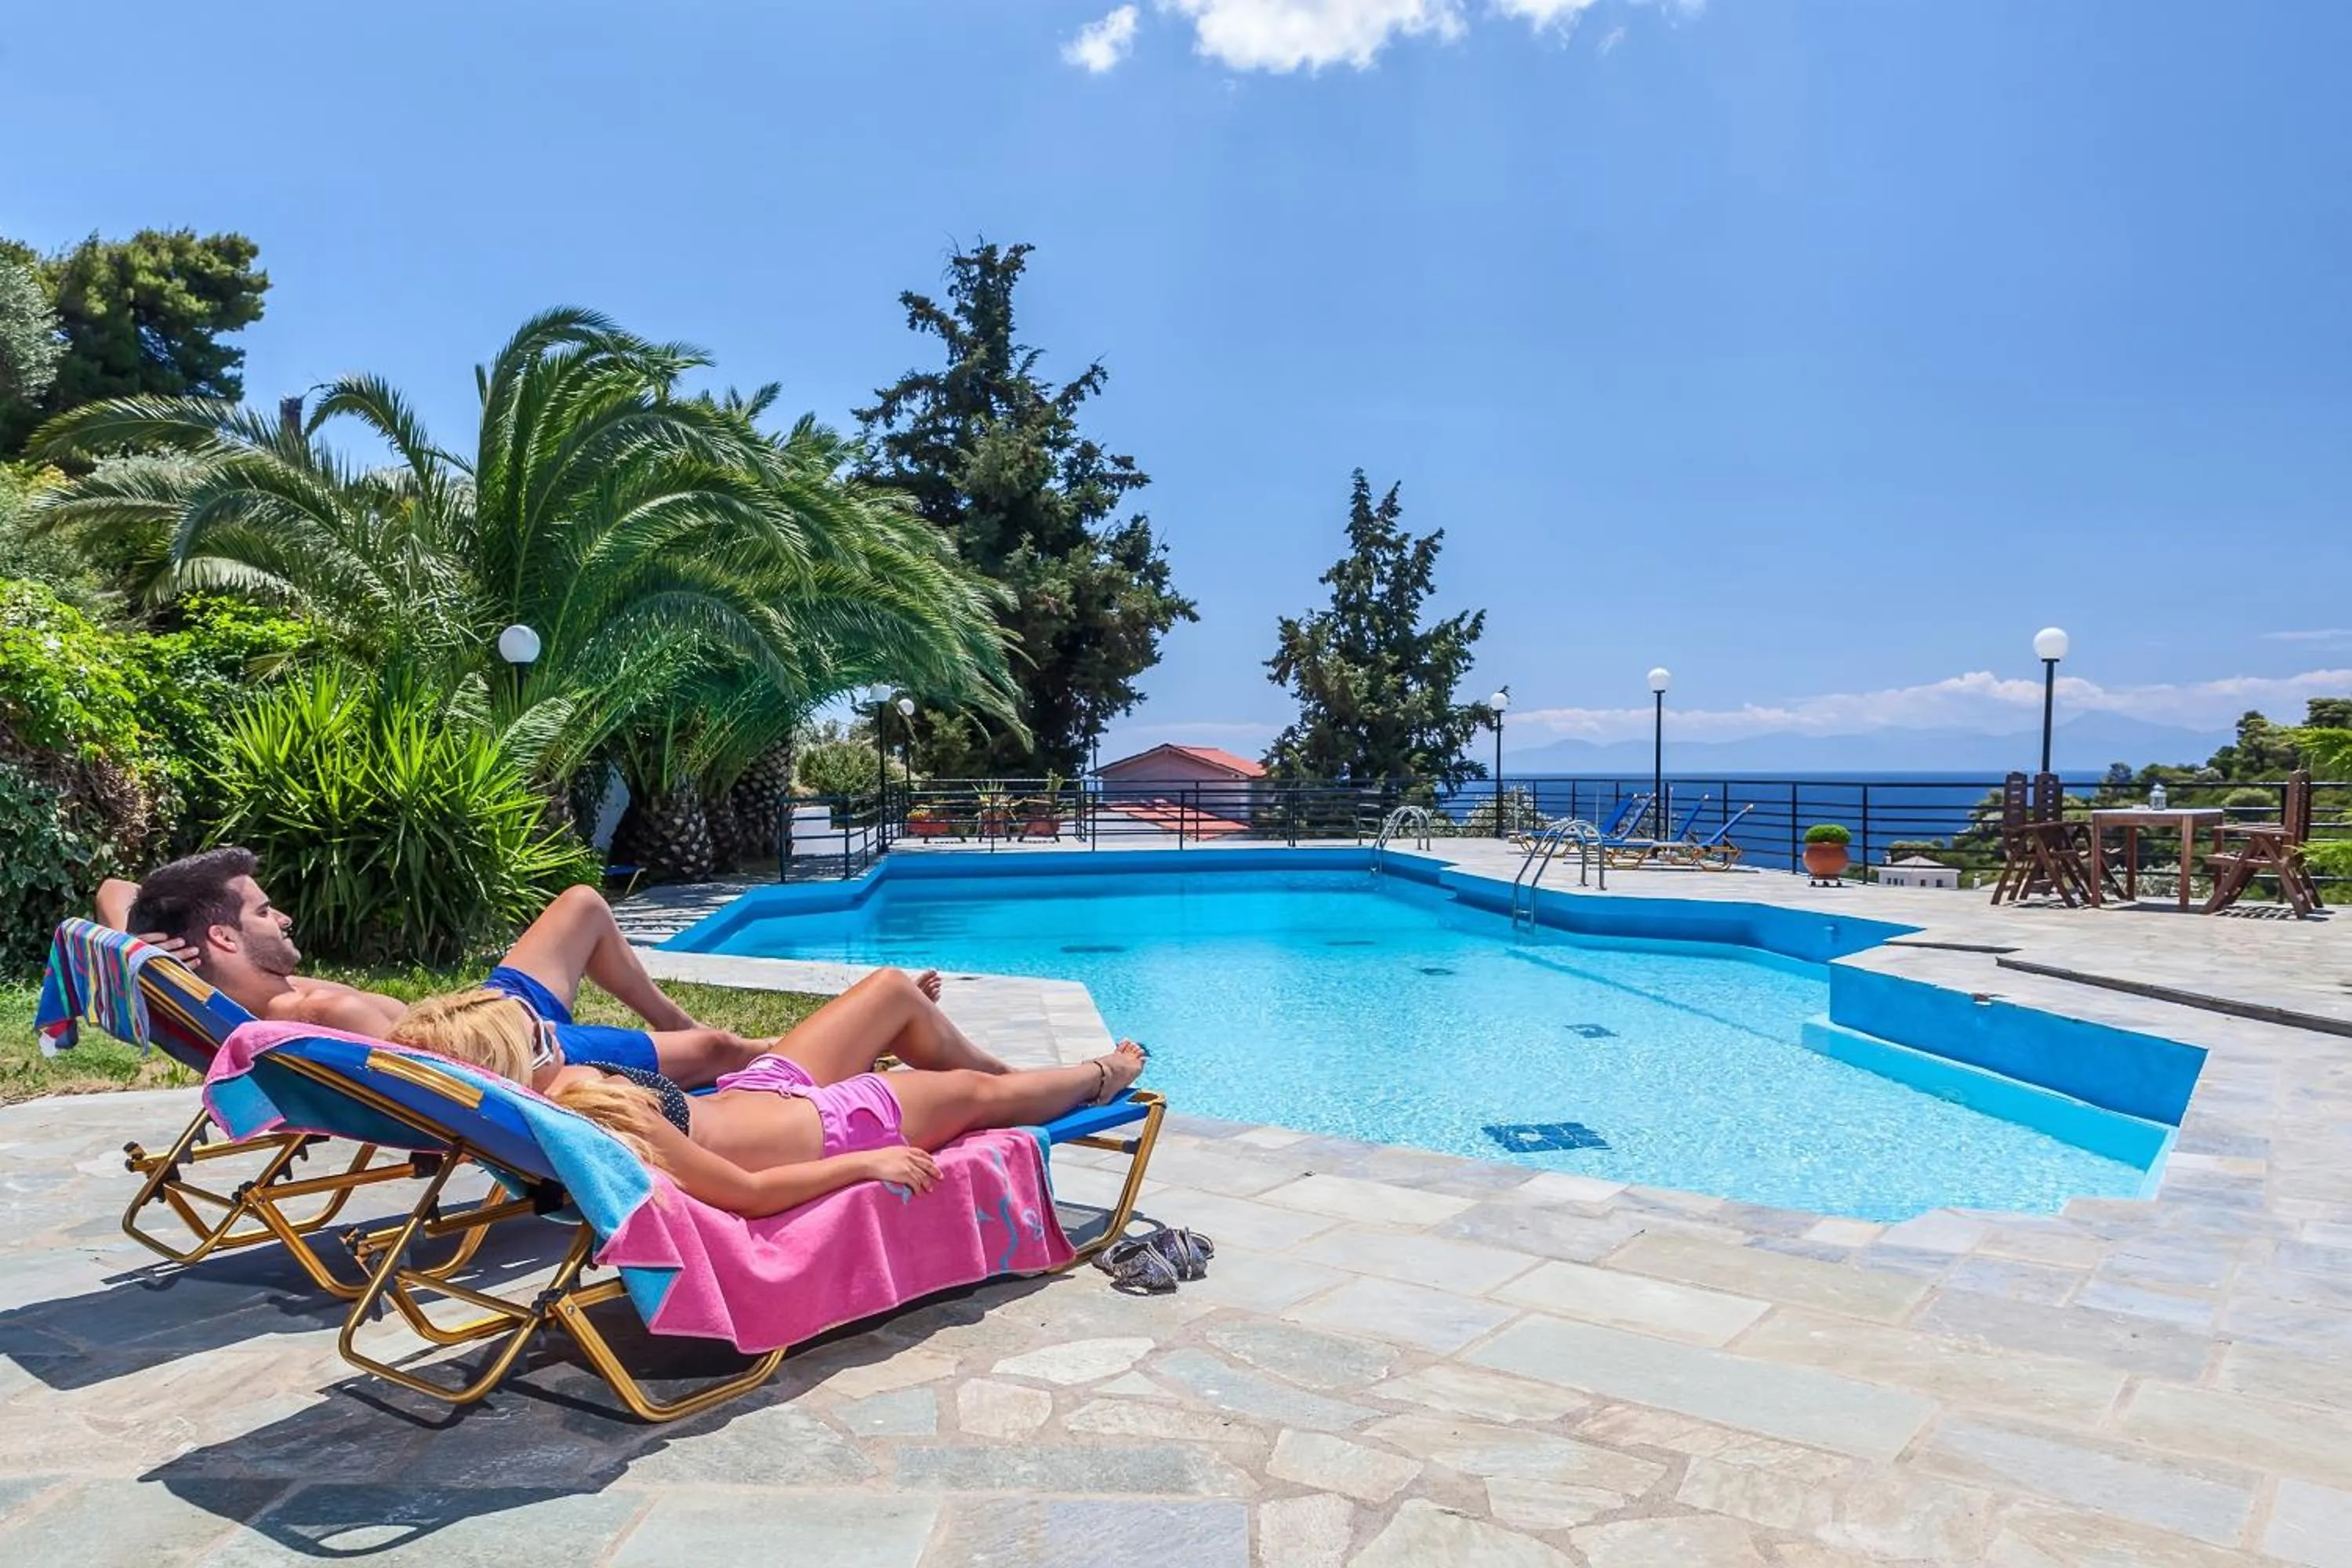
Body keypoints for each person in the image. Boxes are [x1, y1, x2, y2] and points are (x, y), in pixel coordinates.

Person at [96, 846, 1005, 1089]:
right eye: (263, 909)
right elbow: (460, 1083)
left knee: (580, 904)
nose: (283, 914)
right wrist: (567, 1068)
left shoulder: (224, 973)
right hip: (528, 1052)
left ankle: (684, 1028)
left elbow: (112, 888)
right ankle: (758, 1046)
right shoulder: (330, 1018)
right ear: (223, 938)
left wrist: (144, 940)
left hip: (487, 1007)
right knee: (727, 1050)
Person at [389, 988, 1148, 1218]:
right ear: (517, 1057)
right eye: (536, 1030)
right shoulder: (597, 1109)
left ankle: (1014, 1077)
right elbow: (745, 1193)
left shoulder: (538, 1100)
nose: (550, 1024)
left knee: (890, 991)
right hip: (843, 1122)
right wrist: (862, 1161)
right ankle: (1095, 1075)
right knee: (980, 1096)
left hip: (764, 1095)